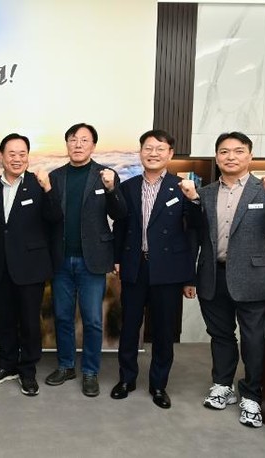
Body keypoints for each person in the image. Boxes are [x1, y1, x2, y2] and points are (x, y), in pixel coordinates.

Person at [194, 132, 265, 428]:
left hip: (252, 277)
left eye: (238, 151)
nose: (231, 157)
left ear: (250, 156)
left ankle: (251, 393)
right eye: (224, 151)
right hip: (213, 275)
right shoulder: (206, 193)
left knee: (253, 339)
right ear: (216, 157)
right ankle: (222, 384)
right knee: (220, 335)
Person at [111, 129, 201, 409]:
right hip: (135, 266)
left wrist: (194, 199)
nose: (153, 153)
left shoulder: (181, 187)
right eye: (148, 148)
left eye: (160, 149)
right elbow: (120, 227)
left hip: (169, 270)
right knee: (129, 327)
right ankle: (126, 379)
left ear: (170, 154)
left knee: (163, 331)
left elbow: (195, 230)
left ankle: (159, 385)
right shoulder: (128, 186)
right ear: (140, 152)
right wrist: (116, 259)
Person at [46, 122, 127, 397]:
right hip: (61, 260)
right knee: (62, 317)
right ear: (67, 144)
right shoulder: (55, 177)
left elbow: (120, 214)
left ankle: (90, 371)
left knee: (92, 320)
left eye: (84, 140)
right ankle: (66, 366)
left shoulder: (105, 175)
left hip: (92, 260)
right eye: (73, 139)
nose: (78, 144)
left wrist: (112, 189)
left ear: (93, 146)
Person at [0, 133, 61, 396]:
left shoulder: (39, 184)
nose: (17, 159)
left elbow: (55, 218)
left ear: (28, 157)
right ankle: (6, 365)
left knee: (29, 322)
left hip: (30, 266)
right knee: (3, 320)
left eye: (22, 154)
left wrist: (48, 189)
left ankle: (28, 371)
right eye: (11, 154)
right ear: (1, 157)